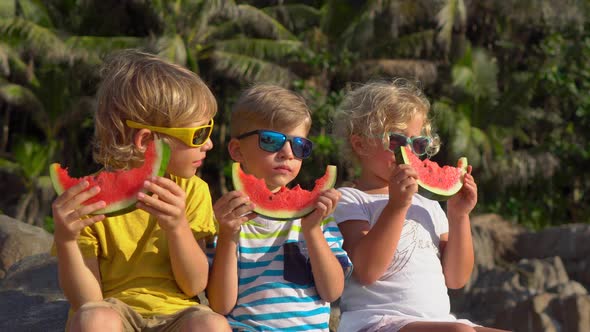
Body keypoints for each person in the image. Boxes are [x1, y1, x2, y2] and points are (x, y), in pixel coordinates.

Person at [51, 49, 230, 332]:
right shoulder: (87, 201)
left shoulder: (194, 190)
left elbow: (195, 284)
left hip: (178, 314)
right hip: (114, 311)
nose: (209, 144)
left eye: (209, 129)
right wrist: (66, 241)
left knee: (212, 324)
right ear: (147, 139)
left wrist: (178, 227)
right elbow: (86, 300)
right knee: (93, 320)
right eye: (199, 134)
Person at [330, 80, 509, 332]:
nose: (407, 152)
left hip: (438, 322)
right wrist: (396, 206)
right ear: (359, 144)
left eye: (418, 145)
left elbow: (456, 279)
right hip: (376, 322)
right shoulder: (350, 199)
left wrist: (459, 216)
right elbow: (367, 271)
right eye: (396, 141)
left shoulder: (429, 205)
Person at [206, 84, 352, 331]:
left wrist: (313, 231)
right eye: (271, 141)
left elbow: (332, 291)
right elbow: (220, 305)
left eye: (299, 146)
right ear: (237, 150)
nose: (287, 153)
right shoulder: (227, 219)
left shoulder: (319, 217)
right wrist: (228, 235)